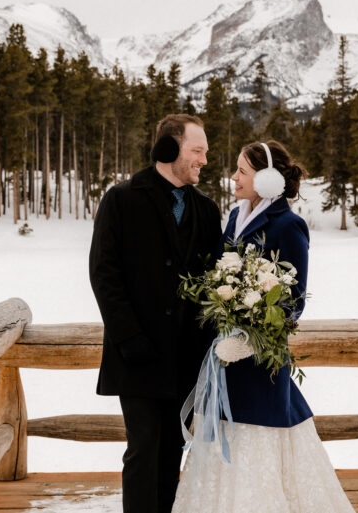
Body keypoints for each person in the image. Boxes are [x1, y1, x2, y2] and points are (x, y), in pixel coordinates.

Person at [172, 140, 354, 513]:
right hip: (222, 364)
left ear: (268, 179)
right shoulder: (236, 218)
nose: (233, 177)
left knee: (258, 452)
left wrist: (249, 341)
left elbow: (293, 301)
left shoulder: (288, 226)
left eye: (242, 171)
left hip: (259, 366)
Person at [89, 114, 222, 513]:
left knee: (172, 453)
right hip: (137, 357)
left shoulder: (207, 209)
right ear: (169, 149)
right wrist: (130, 339)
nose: (203, 160)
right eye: (197, 151)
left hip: (187, 360)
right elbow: (104, 274)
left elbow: (216, 283)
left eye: (205, 153)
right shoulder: (122, 199)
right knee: (143, 451)